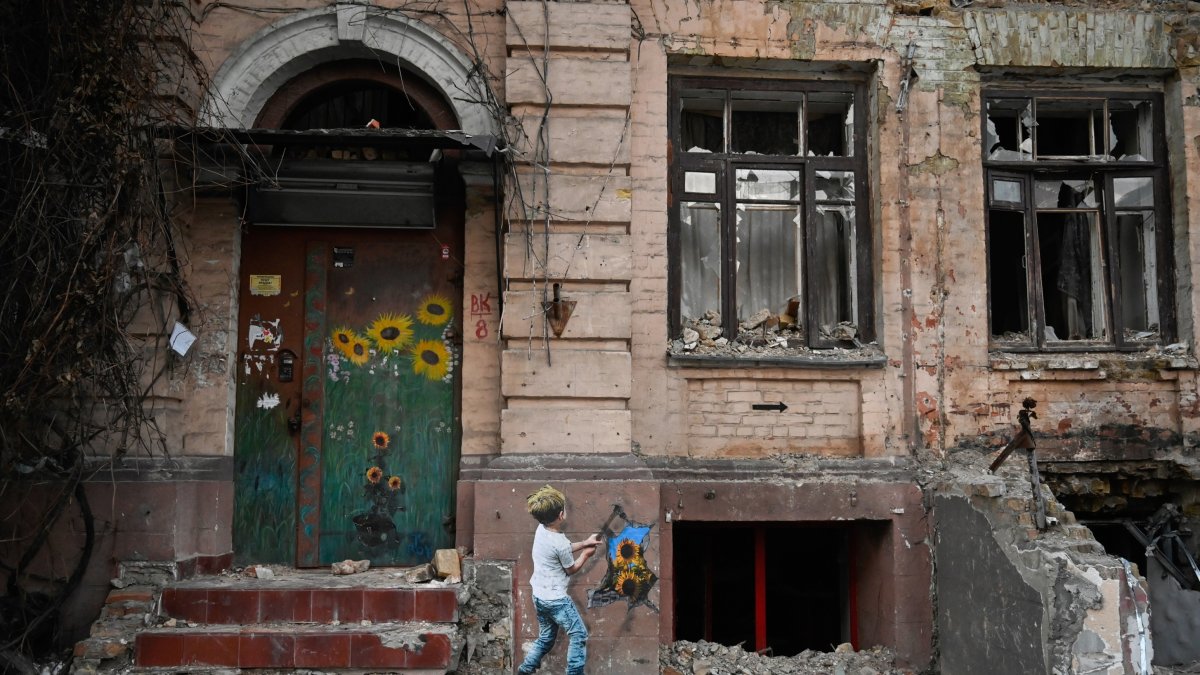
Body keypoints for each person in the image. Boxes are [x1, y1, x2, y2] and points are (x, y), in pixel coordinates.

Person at [518, 485, 602, 675]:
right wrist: (587, 554)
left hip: (539, 596)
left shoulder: (542, 530)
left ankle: (524, 670)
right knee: (579, 634)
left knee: (546, 639)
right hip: (556, 600)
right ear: (561, 515)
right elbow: (571, 568)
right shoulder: (560, 543)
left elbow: (561, 550)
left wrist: (584, 543)